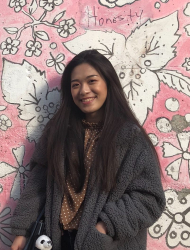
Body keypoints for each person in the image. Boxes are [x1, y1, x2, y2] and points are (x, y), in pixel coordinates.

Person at [11, 49, 166, 250]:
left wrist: (103, 228)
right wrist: (22, 234)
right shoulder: (57, 132)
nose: (83, 90)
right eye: (75, 85)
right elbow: (37, 186)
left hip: (105, 243)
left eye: (92, 81)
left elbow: (149, 198)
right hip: (57, 241)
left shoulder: (130, 137)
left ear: (108, 83)